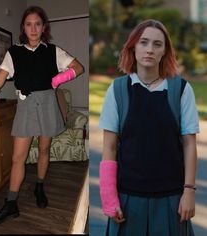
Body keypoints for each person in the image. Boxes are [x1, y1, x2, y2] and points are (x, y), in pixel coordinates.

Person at [0, 6, 84, 225]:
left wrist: (58, 80)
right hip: (25, 106)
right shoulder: (14, 52)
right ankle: (11, 203)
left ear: (44, 28)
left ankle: (39, 186)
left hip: (48, 104)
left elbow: (78, 68)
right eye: (29, 24)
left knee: (44, 149)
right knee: (17, 158)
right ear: (23, 27)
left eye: (38, 24)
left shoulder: (54, 51)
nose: (33, 28)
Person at [99, 19, 199, 236]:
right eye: (144, 42)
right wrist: (109, 198)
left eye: (157, 44)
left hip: (172, 200)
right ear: (133, 46)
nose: (150, 50)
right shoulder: (117, 90)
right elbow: (109, 147)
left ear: (165, 51)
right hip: (127, 200)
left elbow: (190, 145)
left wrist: (189, 191)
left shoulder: (181, 90)